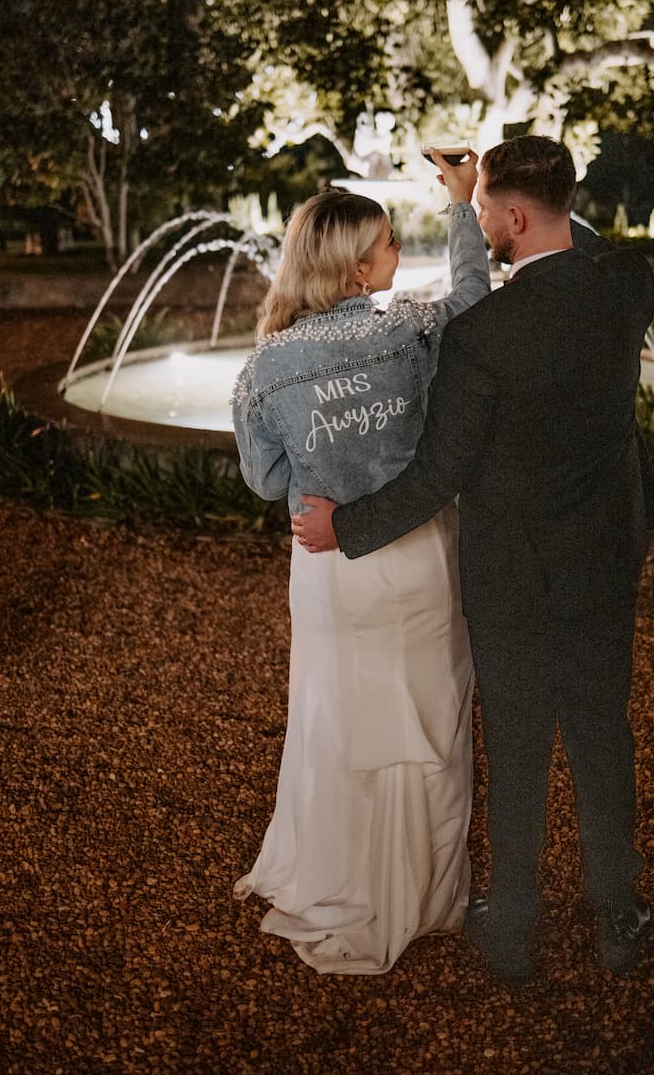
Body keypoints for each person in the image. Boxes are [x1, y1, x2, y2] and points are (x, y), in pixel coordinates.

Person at [295, 135, 654, 983]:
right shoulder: (626, 285)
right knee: (603, 733)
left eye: (490, 214)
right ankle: (618, 912)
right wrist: (493, 194)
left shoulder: (484, 335)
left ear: (510, 216)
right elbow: (584, 243)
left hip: (514, 576)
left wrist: (342, 526)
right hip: (605, 556)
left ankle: (515, 919)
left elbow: (437, 474)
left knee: (523, 742)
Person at [230, 154, 491, 975]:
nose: (393, 256)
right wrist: (462, 207)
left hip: (327, 561)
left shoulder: (262, 365)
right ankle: (427, 894)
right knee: (426, 721)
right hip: (415, 552)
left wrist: (324, 479)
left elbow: (264, 476)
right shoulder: (406, 329)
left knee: (336, 718)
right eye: (383, 244)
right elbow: (475, 304)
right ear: (354, 266)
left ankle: (339, 876)